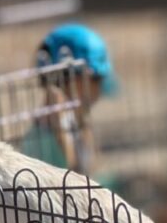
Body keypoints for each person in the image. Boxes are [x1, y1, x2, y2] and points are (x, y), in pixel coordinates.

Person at [20, 24, 119, 173]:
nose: (99, 90)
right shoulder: (47, 140)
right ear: (72, 79)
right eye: (96, 80)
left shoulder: (74, 122)